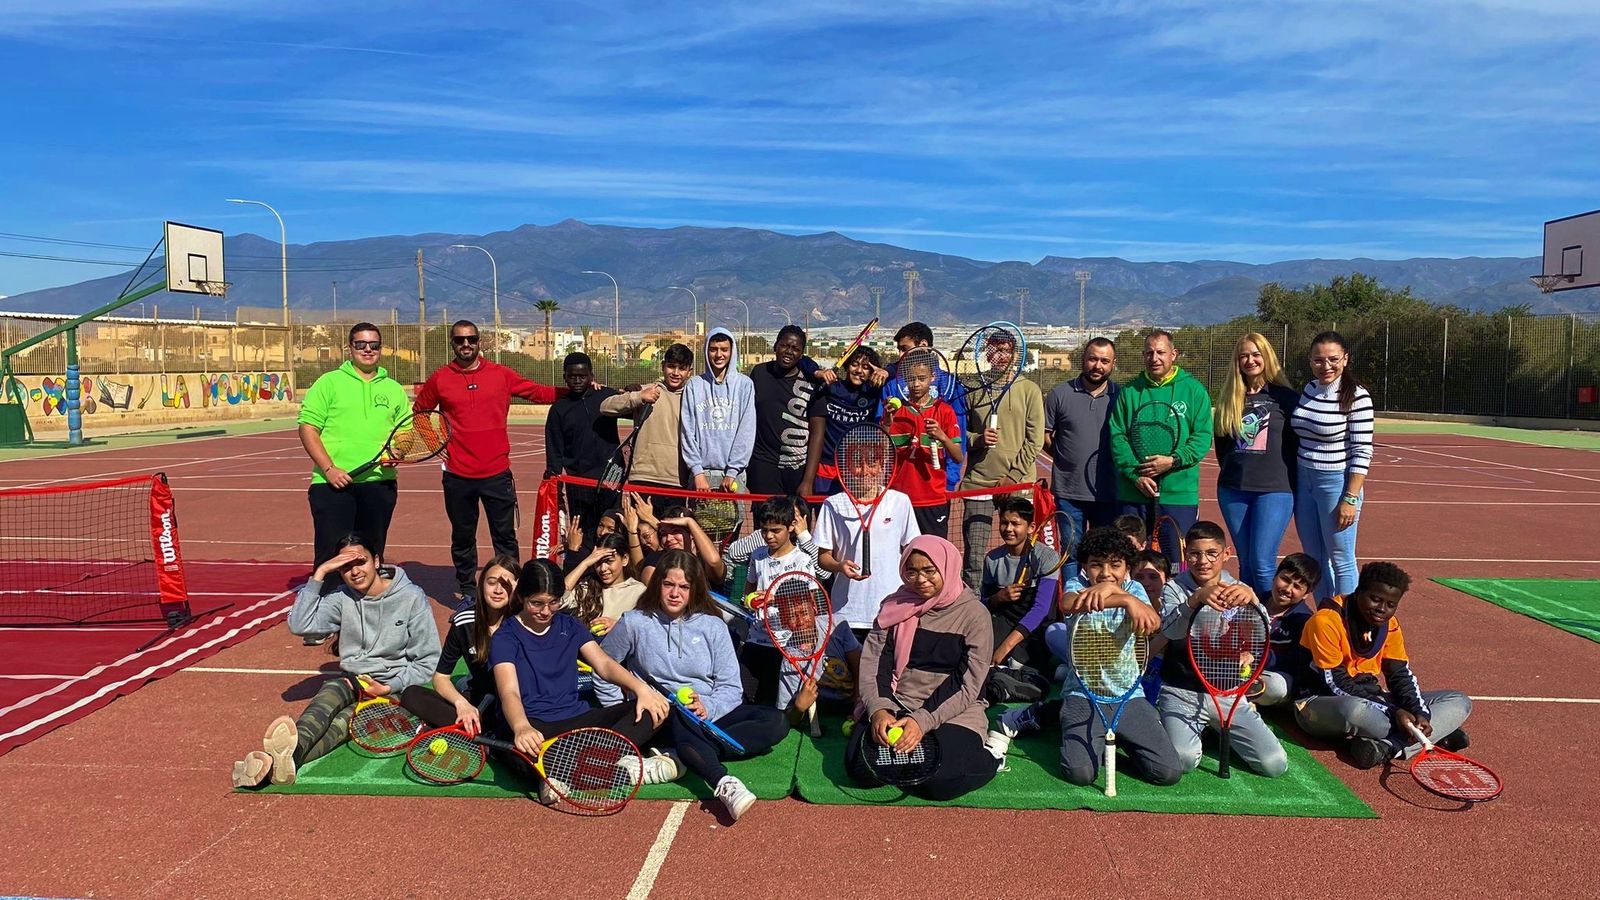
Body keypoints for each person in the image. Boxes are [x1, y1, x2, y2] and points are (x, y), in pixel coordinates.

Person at [597, 550, 791, 822]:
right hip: (660, 715)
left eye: (684, 587)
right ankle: (722, 780)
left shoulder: (713, 626)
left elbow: (731, 688)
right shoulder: (634, 622)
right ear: (658, 585)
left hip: (706, 716)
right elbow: (603, 668)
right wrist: (618, 710)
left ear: (694, 589)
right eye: (668, 584)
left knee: (777, 721)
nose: (675, 593)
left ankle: (678, 757)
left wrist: (707, 707)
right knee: (677, 713)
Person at [230, 534, 440, 787]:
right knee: (324, 701)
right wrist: (320, 573)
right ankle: (280, 762)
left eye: (360, 562)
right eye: (344, 567)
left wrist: (389, 686)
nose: (354, 571)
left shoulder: (411, 597)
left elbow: (428, 662)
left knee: (342, 724)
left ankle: (274, 764)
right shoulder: (342, 597)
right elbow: (299, 625)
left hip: (396, 691)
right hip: (354, 681)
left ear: (376, 560)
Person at [987, 527, 1181, 788]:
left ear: (1126, 569)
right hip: (1083, 695)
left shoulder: (1135, 588)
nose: (1105, 573)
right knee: (1080, 774)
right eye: (1096, 565)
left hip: (1128, 696)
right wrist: (1124, 602)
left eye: (1115, 565)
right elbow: (1068, 604)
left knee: (1167, 773)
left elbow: (1153, 621)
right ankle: (1047, 713)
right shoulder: (1076, 586)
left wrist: (1126, 598)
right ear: (1085, 568)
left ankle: (1101, 730)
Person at [491, 559, 677, 801]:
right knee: (522, 752)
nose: (546, 611)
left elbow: (604, 664)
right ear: (522, 597)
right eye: (536, 603)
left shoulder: (569, 624)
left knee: (654, 710)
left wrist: (641, 689)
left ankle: (562, 773)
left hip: (577, 719)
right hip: (536, 725)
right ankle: (629, 771)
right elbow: (509, 692)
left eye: (553, 602)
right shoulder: (505, 637)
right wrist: (521, 727)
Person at [415, 320, 566, 604]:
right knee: (462, 536)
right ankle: (468, 591)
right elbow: (420, 411)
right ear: (452, 343)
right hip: (458, 476)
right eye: (460, 340)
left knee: (505, 537)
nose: (466, 344)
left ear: (479, 341)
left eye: (471, 339)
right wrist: (436, 444)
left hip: (496, 474)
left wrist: (577, 390)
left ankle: (511, 588)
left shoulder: (500, 374)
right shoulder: (440, 378)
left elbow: (538, 393)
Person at [846, 536, 1002, 801]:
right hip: (898, 701)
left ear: (947, 567)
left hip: (956, 710)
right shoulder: (893, 606)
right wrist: (879, 710)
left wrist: (922, 721)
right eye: (912, 570)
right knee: (861, 770)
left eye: (930, 571)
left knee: (939, 783)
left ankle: (993, 756)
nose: (920, 579)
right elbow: (874, 666)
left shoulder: (975, 615)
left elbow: (967, 685)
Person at [295, 322, 409, 645]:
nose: (368, 350)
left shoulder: (394, 389)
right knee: (331, 550)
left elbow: (406, 433)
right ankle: (320, 620)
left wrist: (398, 451)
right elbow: (308, 428)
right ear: (350, 348)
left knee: (370, 553)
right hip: (332, 485)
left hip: (379, 484)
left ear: (381, 348)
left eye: (373, 344)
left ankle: (365, 616)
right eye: (361, 344)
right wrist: (329, 468)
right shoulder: (329, 383)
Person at [1297, 562, 1472, 768]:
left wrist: (1419, 712)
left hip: (1374, 701)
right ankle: (1431, 734)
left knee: (1459, 701)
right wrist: (1393, 711)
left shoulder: (1389, 625)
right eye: (1375, 599)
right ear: (1359, 591)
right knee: (1355, 711)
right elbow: (1335, 683)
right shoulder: (1326, 621)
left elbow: (1400, 674)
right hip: (1320, 702)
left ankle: (1389, 747)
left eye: (1390, 604)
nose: (1382, 609)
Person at [1154, 521, 1288, 777]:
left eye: (1211, 553)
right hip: (1181, 690)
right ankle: (1185, 726)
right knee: (1183, 760)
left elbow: (1261, 636)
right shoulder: (1174, 587)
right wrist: (1194, 600)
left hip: (1227, 692)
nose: (1203, 561)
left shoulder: (1239, 589)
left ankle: (1214, 731)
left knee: (1275, 765)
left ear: (1226, 554)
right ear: (1186, 555)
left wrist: (1255, 602)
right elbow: (1170, 632)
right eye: (1195, 553)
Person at [1108, 330, 1214, 564]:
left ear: (1173, 354)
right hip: (1133, 492)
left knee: (1175, 562)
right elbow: (1118, 437)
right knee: (1129, 561)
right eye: (1149, 353)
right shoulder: (1130, 392)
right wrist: (1135, 474)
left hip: (1178, 495)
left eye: (1160, 352)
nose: (1154, 358)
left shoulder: (1194, 391)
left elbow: (1201, 437)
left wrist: (1173, 460)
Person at [1213, 332, 1301, 599]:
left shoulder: (1286, 397)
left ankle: (1268, 625)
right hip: (1233, 490)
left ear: (1266, 356)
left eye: (1255, 354)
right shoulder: (1230, 398)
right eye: (1244, 356)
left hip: (1274, 490)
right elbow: (1222, 449)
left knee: (1263, 563)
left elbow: (1298, 445)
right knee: (1246, 563)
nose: (1250, 360)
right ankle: (1249, 628)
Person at [1289, 331, 1374, 601]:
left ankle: (1348, 623)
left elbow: (1362, 451)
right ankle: (1327, 615)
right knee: (1314, 558)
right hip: (1305, 482)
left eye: (1333, 359)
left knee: (1341, 558)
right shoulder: (1309, 390)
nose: (1326, 366)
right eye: (1318, 360)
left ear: (1345, 359)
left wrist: (1350, 497)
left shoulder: (1358, 397)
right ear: (1310, 361)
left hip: (1335, 484)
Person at [960, 327, 1045, 590]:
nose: (1000, 355)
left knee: (1023, 552)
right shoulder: (973, 389)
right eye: (994, 349)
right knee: (974, 555)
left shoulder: (1029, 389)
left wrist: (1012, 477)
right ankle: (973, 608)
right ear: (986, 353)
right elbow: (957, 434)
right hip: (978, 485)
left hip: (1018, 485)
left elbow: (1035, 440)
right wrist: (977, 439)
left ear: (1014, 354)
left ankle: (1024, 606)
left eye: (1006, 350)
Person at [817, 431, 921, 632]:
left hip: (891, 608)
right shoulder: (833, 504)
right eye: (858, 463)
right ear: (847, 467)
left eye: (872, 463)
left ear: (882, 466)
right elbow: (823, 558)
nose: (865, 471)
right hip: (846, 612)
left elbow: (912, 550)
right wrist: (839, 566)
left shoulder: (900, 501)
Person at [411, 555, 521, 737]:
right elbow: (440, 677)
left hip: (518, 700)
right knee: (412, 695)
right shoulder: (464, 621)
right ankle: (476, 727)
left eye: (506, 585)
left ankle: (466, 729)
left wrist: (521, 602)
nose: (498, 590)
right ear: (481, 585)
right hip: (480, 697)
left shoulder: (522, 621)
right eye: (492, 582)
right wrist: (462, 705)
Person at [601, 343, 694, 507]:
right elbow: (605, 407)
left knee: (672, 533)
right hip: (643, 477)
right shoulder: (646, 391)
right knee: (641, 532)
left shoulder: (693, 398)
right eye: (671, 366)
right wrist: (638, 397)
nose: (676, 373)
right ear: (662, 366)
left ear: (689, 372)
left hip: (677, 481)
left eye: (682, 368)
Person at [1043, 337, 1120, 536]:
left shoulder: (1121, 397)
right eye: (1093, 359)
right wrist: (1065, 457)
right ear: (1083, 359)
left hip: (1109, 494)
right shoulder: (1059, 394)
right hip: (1068, 494)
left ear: (1113, 364)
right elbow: (1045, 435)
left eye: (1104, 361)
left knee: (1102, 556)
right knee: (1071, 555)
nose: (1098, 366)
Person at [885, 348, 964, 538]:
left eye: (922, 378)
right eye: (911, 379)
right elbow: (884, 451)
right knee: (902, 556)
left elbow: (958, 456)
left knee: (932, 555)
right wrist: (887, 423)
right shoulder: (896, 412)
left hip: (933, 499)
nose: (916, 384)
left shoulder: (944, 411)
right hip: (900, 499)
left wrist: (942, 436)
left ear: (932, 377)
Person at [884, 322, 968, 497]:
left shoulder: (952, 386)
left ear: (923, 345)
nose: (900, 355)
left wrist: (950, 481)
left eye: (904, 348)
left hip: (937, 487)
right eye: (899, 349)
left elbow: (957, 439)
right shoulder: (892, 385)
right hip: (899, 489)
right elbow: (884, 438)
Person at [546, 352, 620, 543]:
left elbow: (632, 400)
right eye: (572, 376)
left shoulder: (606, 396)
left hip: (611, 477)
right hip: (579, 483)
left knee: (612, 529)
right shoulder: (558, 409)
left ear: (591, 376)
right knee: (583, 533)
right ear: (564, 377)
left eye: (582, 376)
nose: (577, 380)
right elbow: (554, 450)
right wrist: (555, 483)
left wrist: (633, 389)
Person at [979, 497, 1058, 668]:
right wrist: (997, 598)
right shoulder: (992, 559)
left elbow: (1041, 610)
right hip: (1004, 621)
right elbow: (983, 604)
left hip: (1036, 627)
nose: (1008, 529)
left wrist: (1005, 646)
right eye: (1004, 523)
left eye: (1015, 524)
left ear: (1031, 528)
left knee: (1015, 664)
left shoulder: (1047, 557)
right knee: (979, 652)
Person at [681, 327, 756, 505]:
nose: (719, 355)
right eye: (713, 349)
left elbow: (746, 431)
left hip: (732, 476)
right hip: (701, 476)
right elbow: (687, 431)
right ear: (706, 351)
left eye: (724, 349)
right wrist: (697, 473)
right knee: (697, 530)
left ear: (732, 351)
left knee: (733, 531)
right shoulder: (694, 385)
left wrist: (732, 472)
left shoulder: (745, 385)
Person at [801, 346, 883, 498]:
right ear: (846, 364)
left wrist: (884, 372)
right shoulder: (832, 387)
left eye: (866, 367)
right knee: (824, 517)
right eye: (854, 364)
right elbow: (803, 360)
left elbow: (896, 373)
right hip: (826, 467)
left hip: (855, 470)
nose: (859, 370)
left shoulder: (875, 393)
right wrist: (819, 372)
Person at [747, 326, 818, 496]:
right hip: (762, 466)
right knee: (764, 522)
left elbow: (817, 433)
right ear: (775, 346)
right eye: (784, 345)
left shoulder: (813, 381)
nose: (789, 352)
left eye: (795, 349)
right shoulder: (759, 373)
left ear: (802, 355)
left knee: (797, 522)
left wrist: (808, 481)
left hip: (797, 469)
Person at [1257, 552, 1319, 707]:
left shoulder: (1304, 621)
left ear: (1307, 594)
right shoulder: (1253, 602)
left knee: (1276, 686)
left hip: (1271, 675)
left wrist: (1257, 656)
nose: (1287, 589)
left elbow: (1295, 664)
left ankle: (1239, 697)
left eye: (1297, 587)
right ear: (1275, 575)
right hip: (1238, 669)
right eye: (1285, 579)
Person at [563, 532, 645, 633]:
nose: (603, 569)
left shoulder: (638, 591)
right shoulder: (587, 586)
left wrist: (619, 625)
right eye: (598, 562)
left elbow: (646, 628)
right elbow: (559, 600)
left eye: (609, 561)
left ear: (625, 559)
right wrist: (585, 564)